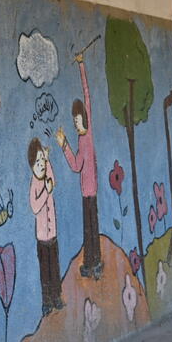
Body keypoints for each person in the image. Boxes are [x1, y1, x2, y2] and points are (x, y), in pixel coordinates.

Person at [57, 51, 101, 279]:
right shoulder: (79, 140)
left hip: (91, 191)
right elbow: (76, 166)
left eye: (78, 119)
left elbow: (87, 95)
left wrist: (82, 65)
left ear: (84, 116)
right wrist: (64, 145)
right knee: (89, 230)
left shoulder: (89, 133)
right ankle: (92, 262)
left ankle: (95, 262)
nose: (77, 123)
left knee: (92, 229)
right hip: (86, 192)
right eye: (74, 121)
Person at [28, 138, 63, 315]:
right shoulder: (35, 184)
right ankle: (47, 300)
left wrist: (48, 161)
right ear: (32, 165)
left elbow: (52, 179)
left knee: (54, 268)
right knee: (45, 271)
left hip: (53, 234)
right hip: (42, 238)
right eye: (38, 162)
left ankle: (57, 296)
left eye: (42, 161)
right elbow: (35, 206)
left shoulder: (47, 179)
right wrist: (45, 192)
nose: (41, 165)